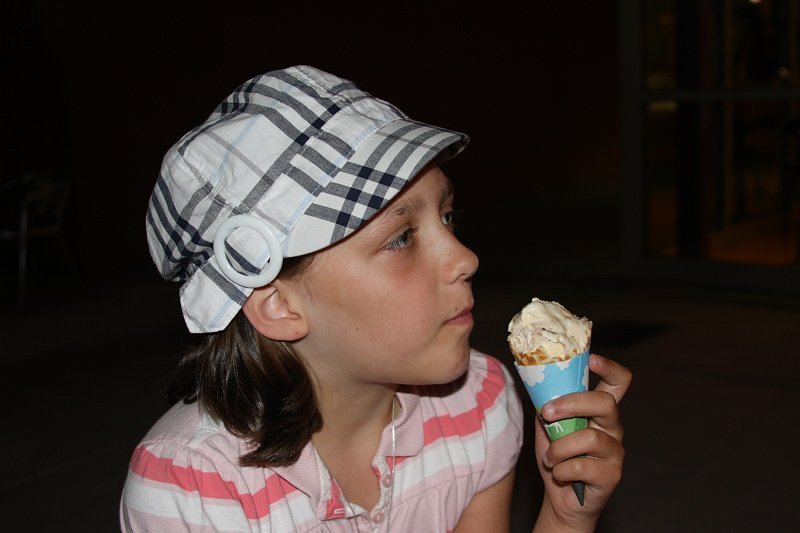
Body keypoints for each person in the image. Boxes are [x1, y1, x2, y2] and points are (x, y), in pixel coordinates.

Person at [120, 65, 631, 532]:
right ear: (279, 304)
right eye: (401, 238)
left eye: (448, 217)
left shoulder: (479, 403)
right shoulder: (191, 490)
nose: (465, 258)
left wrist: (565, 519)